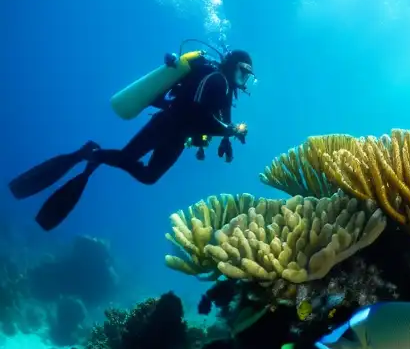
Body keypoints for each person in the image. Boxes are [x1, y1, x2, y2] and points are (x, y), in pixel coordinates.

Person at [8, 47, 254, 231]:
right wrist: (229, 132)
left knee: (149, 176)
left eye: (247, 76)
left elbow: (222, 119)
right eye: (243, 72)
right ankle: (89, 153)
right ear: (232, 65)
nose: (244, 80)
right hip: (165, 124)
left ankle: (93, 156)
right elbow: (198, 115)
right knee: (128, 158)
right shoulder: (214, 79)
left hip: (178, 137)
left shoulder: (225, 88)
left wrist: (227, 140)